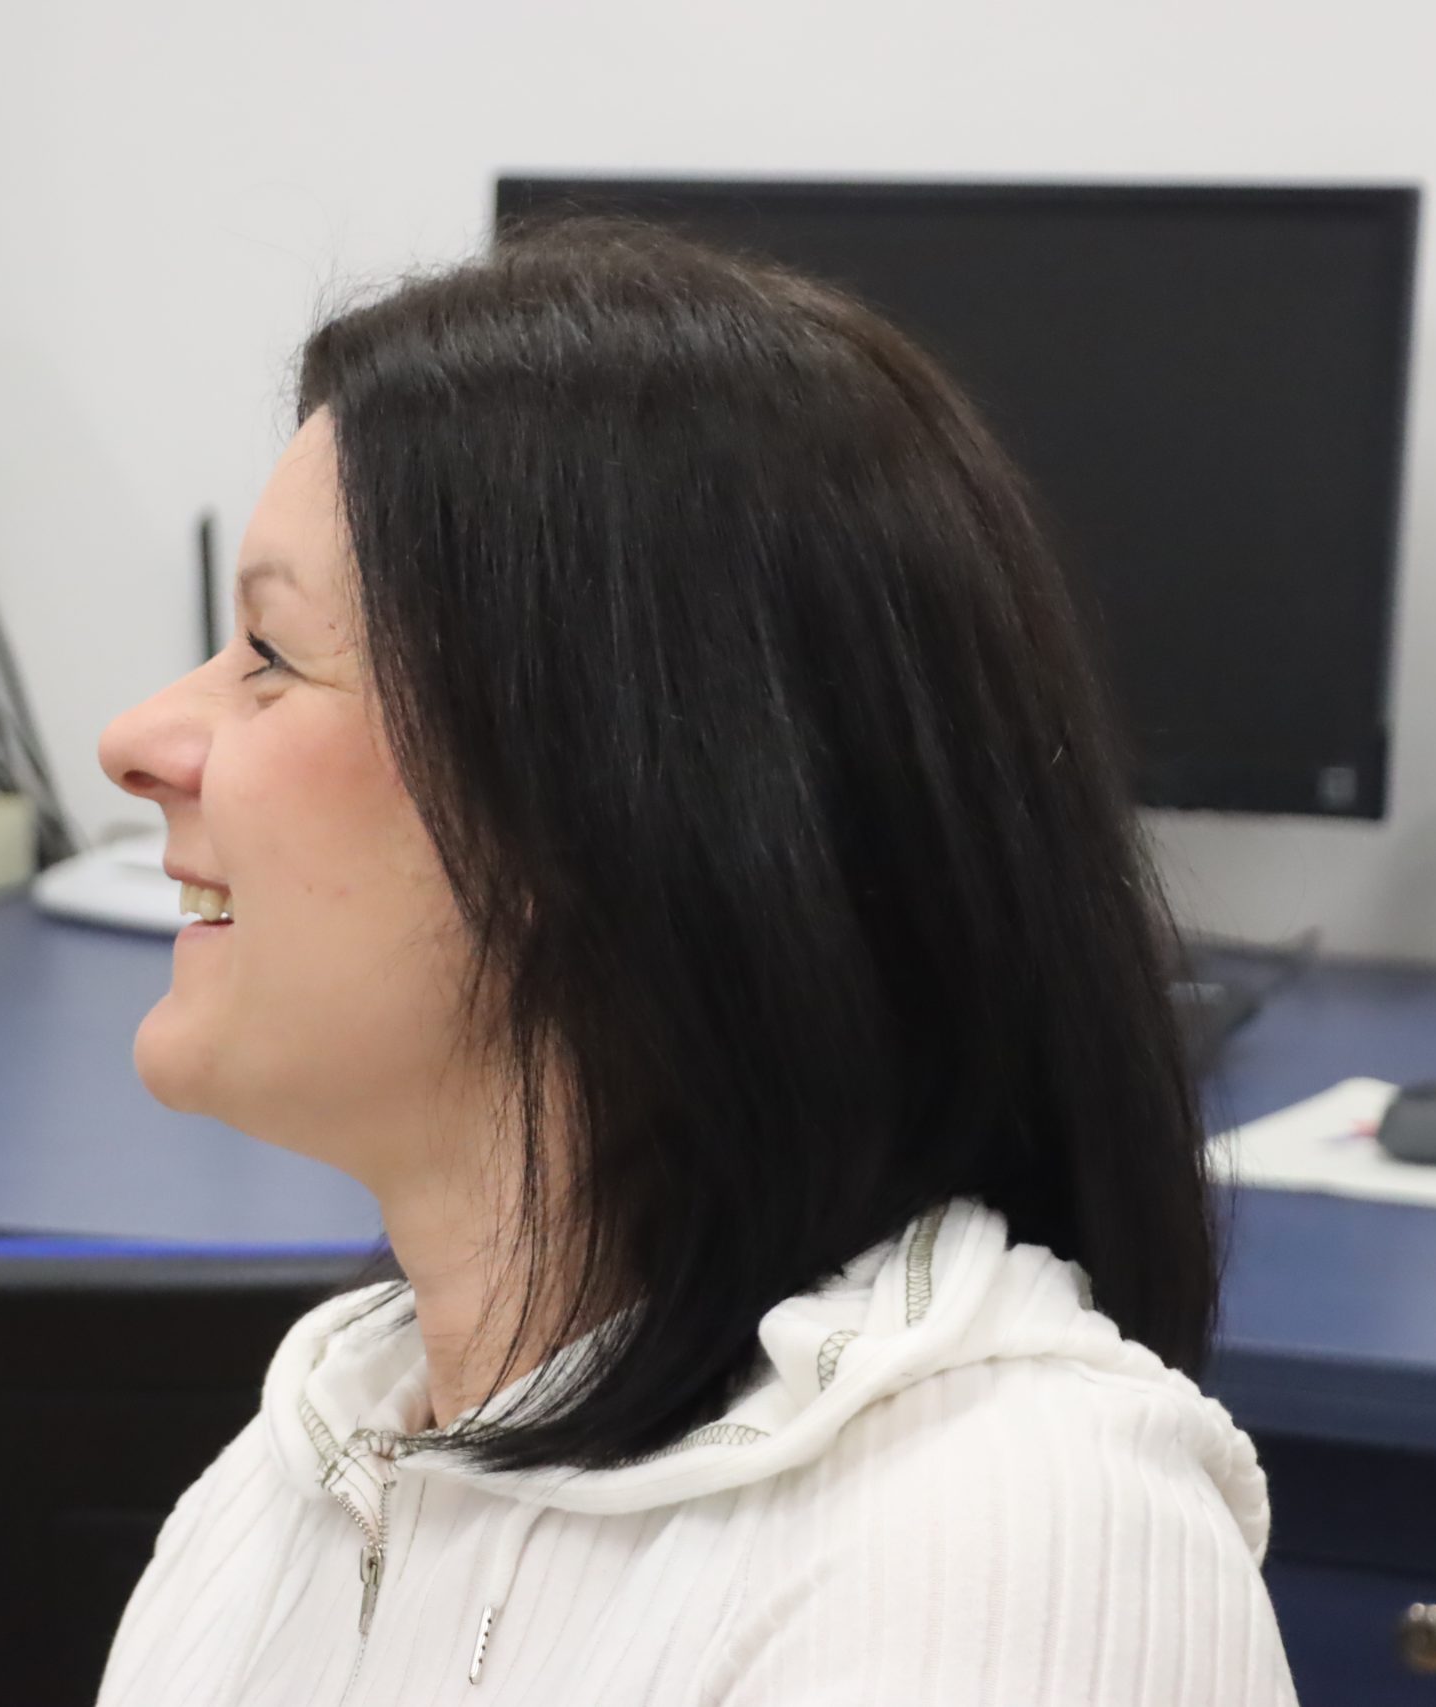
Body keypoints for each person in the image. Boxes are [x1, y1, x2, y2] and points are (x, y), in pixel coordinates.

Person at [92, 219, 1296, 1704]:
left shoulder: (1000, 1545)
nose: (138, 739)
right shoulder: (299, 1480)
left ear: (594, 801)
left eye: (273, 658)